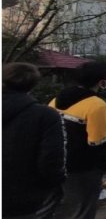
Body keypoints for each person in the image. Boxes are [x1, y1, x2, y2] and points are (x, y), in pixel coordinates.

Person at [49, 61, 106, 219]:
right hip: (83, 167)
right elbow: (96, 141)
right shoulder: (97, 105)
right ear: (102, 81)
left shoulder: (55, 100)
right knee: (83, 209)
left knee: (59, 209)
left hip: (55, 162)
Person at [3, 63, 65, 219]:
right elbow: (51, 159)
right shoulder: (45, 115)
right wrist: (52, 184)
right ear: (34, 84)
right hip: (22, 197)